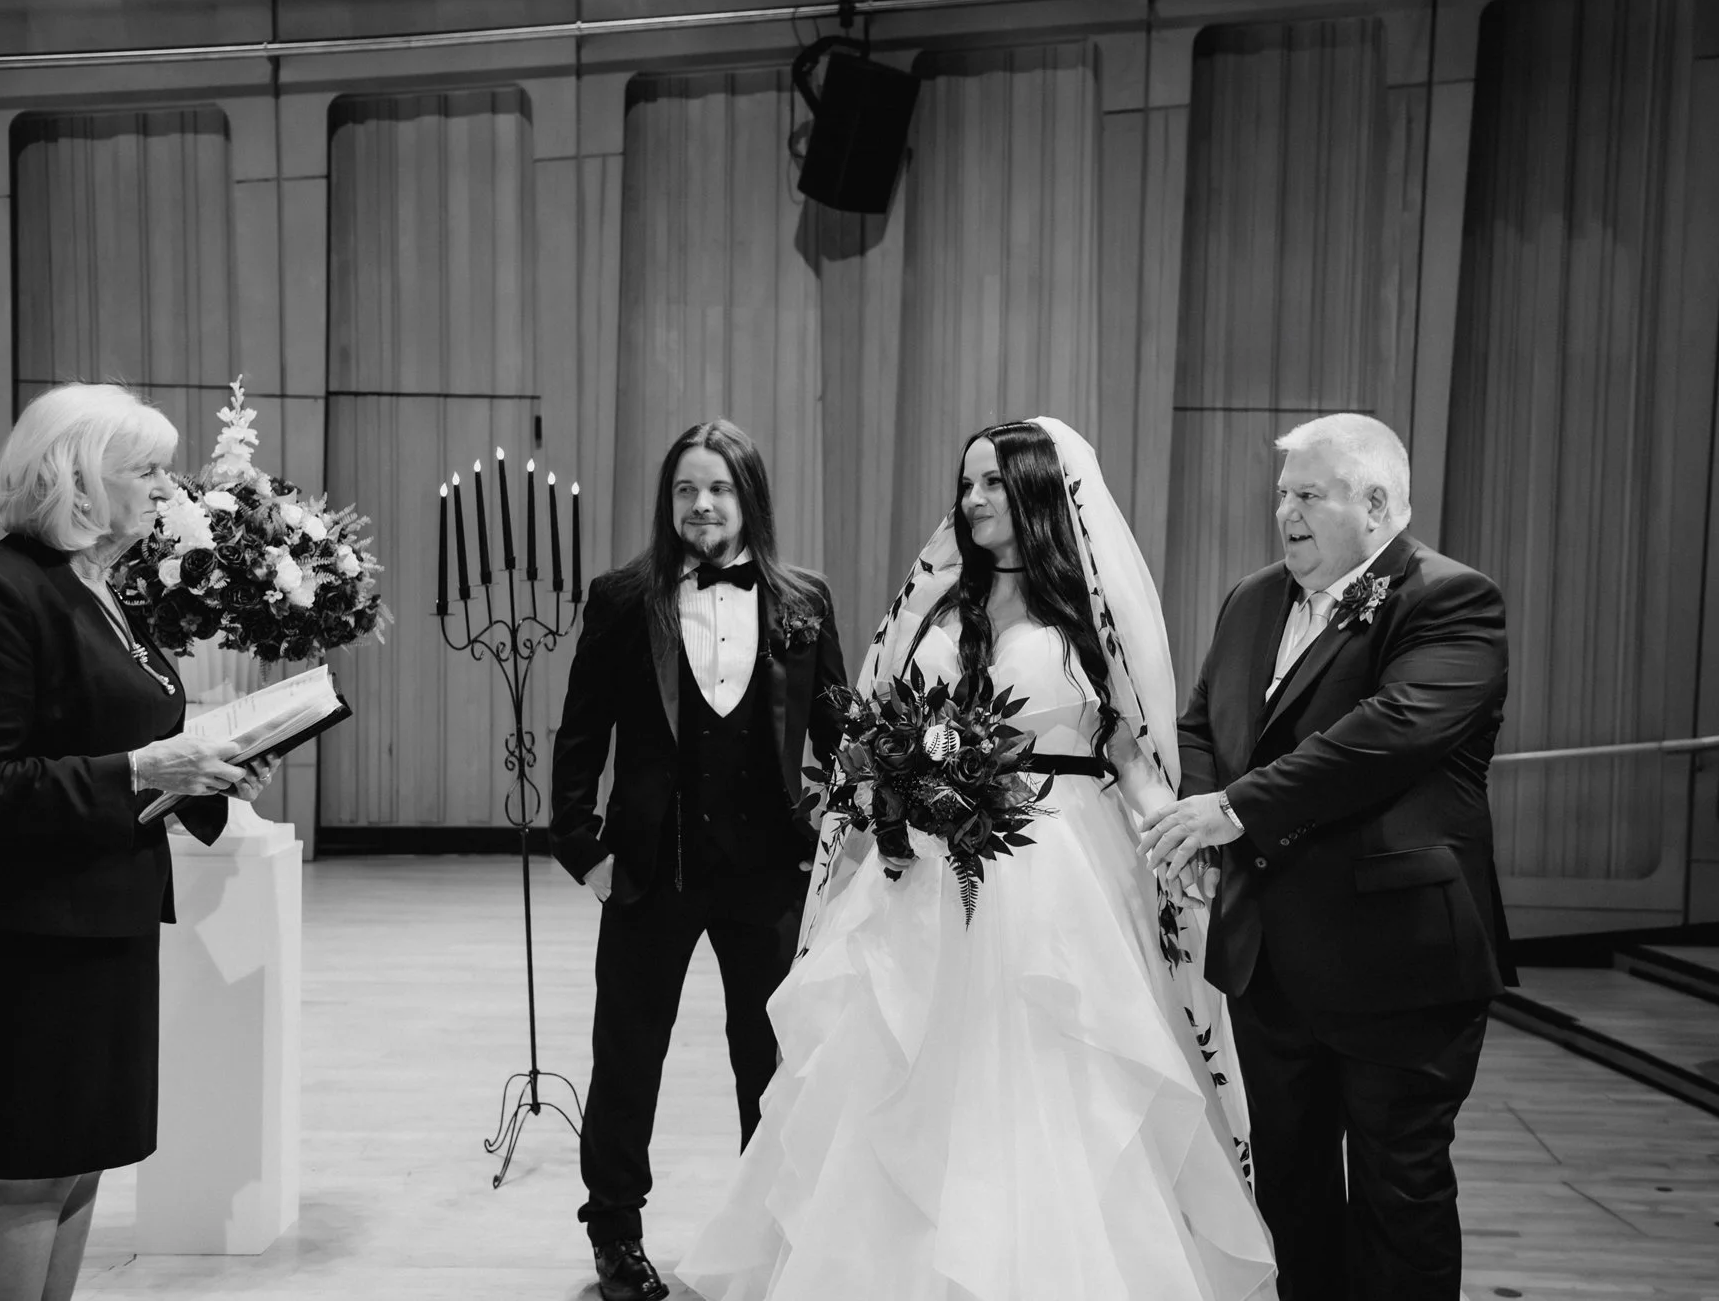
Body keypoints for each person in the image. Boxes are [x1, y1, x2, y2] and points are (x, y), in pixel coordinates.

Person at [678, 419, 1276, 1301]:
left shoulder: (1085, 613)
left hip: (1057, 858)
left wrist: (1170, 830)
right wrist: (880, 792)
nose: (973, 500)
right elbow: (877, 719)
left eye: (992, 482)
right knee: (897, 1074)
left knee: (1054, 1071)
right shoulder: (940, 604)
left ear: (1035, 492)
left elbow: (1132, 751)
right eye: (966, 485)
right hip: (927, 864)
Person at [1143, 412, 1512, 1301]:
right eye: (1282, 494)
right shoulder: (1251, 598)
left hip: (1400, 963)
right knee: (1293, 1196)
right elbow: (1203, 724)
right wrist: (1194, 814)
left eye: (1308, 494)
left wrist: (1234, 810)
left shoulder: (1451, 600)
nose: (1286, 513)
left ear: (1378, 503)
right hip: (1271, 961)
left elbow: (1384, 735)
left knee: (1400, 1196)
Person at [0, 383, 276, 1301]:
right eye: (150, 470)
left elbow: (122, 742)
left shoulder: (98, 588)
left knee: (82, 1160)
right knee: (34, 1167)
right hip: (30, 933)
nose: (169, 489)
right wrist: (142, 770)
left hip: (105, 915)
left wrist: (208, 777)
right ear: (78, 477)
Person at [549, 420, 848, 1301]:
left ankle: (766, 1233)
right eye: (686, 489)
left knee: (770, 1057)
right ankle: (616, 1235)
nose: (702, 504)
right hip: (649, 870)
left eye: (718, 488)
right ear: (667, 500)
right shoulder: (621, 598)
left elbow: (838, 733)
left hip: (768, 874)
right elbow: (578, 737)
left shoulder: (803, 598)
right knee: (628, 1056)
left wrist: (847, 834)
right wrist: (585, 851)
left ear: (748, 495)